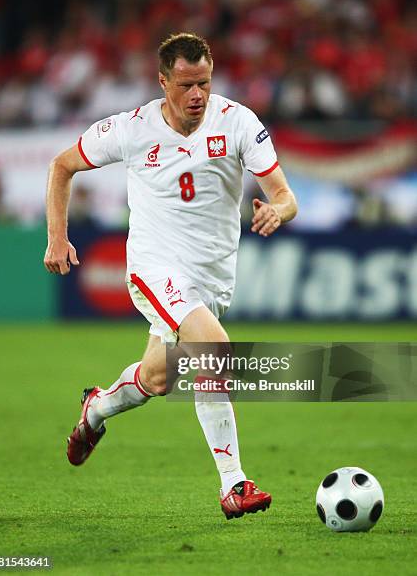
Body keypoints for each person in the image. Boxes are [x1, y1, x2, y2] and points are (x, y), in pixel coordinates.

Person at [44, 33, 297, 520]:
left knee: (159, 378)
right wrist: (58, 237)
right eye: (185, 85)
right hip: (153, 268)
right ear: (163, 82)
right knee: (214, 349)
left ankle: (95, 408)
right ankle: (234, 484)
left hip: (212, 279)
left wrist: (278, 212)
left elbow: (284, 194)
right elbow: (61, 165)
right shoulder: (132, 128)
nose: (197, 95)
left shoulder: (238, 121)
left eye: (204, 82)